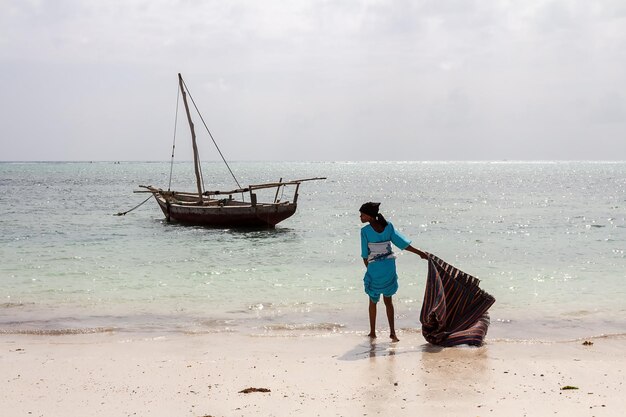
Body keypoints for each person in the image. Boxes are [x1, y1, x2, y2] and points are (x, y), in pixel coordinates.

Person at [359, 202, 428, 342]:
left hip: (375, 267)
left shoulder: (365, 231)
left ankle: (372, 332)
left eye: (362, 214)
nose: (360, 217)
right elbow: (402, 243)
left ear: (370, 216)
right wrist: (420, 253)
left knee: (373, 300)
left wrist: (370, 270)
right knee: (388, 301)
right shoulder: (388, 226)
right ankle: (392, 333)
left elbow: (365, 255)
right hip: (389, 267)